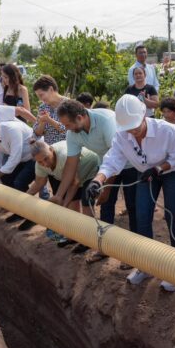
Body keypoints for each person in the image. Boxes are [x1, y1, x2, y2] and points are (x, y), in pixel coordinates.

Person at [88, 95, 175, 291]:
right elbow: (112, 161)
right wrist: (97, 181)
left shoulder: (167, 130)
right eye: (128, 128)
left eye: (136, 126)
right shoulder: (121, 135)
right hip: (145, 173)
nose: (133, 131)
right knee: (142, 216)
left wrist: (160, 168)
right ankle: (145, 264)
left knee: (172, 215)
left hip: (173, 171)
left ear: (144, 115)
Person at [55, 100, 137, 264]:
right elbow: (71, 165)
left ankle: (133, 255)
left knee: (133, 206)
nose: (66, 128)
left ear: (80, 117)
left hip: (130, 163)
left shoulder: (106, 121)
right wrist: (58, 196)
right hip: (106, 165)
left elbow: (116, 156)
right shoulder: (73, 133)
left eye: (68, 124)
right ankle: (104, 248)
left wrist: (106, 190)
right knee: (106, 207)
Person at [27, 139, 100, 245]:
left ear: (51, 150)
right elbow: (39, 183)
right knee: (71, 204)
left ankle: (89, 241)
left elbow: (74, 182)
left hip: (91, 170)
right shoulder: (39, 165)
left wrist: (63, 204)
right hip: (74, 178)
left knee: (86, 202)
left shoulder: (64, 155)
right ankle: (75, 236)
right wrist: (23, 198)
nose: (45, 164)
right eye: (40, 162)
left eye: (46, 159)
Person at [33, 75, 67, 145]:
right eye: (38, 97)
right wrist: (42, 123)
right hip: (50, 151)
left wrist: (49, 120)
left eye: (41, 95)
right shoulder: (43, 107)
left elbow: (68, 130)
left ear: (51, 89)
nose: (40, 99)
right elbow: (37, 134)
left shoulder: (68, 104)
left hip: (66, 148)